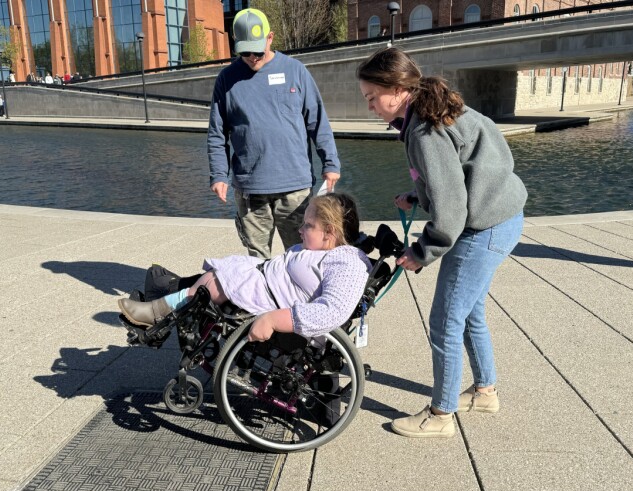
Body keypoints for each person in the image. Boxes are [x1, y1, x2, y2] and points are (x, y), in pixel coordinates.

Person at [356, 47, 527, 438]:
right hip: (502, 217)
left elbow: (450, 212)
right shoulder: (430, 111)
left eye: (371, 97)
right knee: (469, 312)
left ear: (398, 89)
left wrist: (421, 252)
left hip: (482, 228)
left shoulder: (423, 129)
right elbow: (458, 175)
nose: (369, 107)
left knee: (444, 321)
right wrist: (419, 197)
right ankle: (484, 392)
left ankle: (440, 415)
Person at [117, 193, 370, 342]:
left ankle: (156, 314)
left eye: (308, 226)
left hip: (267, 298)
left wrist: (273, 320)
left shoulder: (346, 263)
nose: (300, 230)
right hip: (260, 278)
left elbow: (331, 311)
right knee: (209, 280)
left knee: (210, 286)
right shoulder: (322, 251)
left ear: (330, 232)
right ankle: (160, 303)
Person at [208, 8, 341, 259]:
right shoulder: (226, 79)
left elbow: (318, 121)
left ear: (270, 38)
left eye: (257, 51)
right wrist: (218, 175)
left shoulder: (295, 71)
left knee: (303, 256)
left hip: (295, 188)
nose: (251, 57)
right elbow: (217, 133)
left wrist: (330, 162)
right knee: (257, 261)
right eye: (245, 52)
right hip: (250, 189)